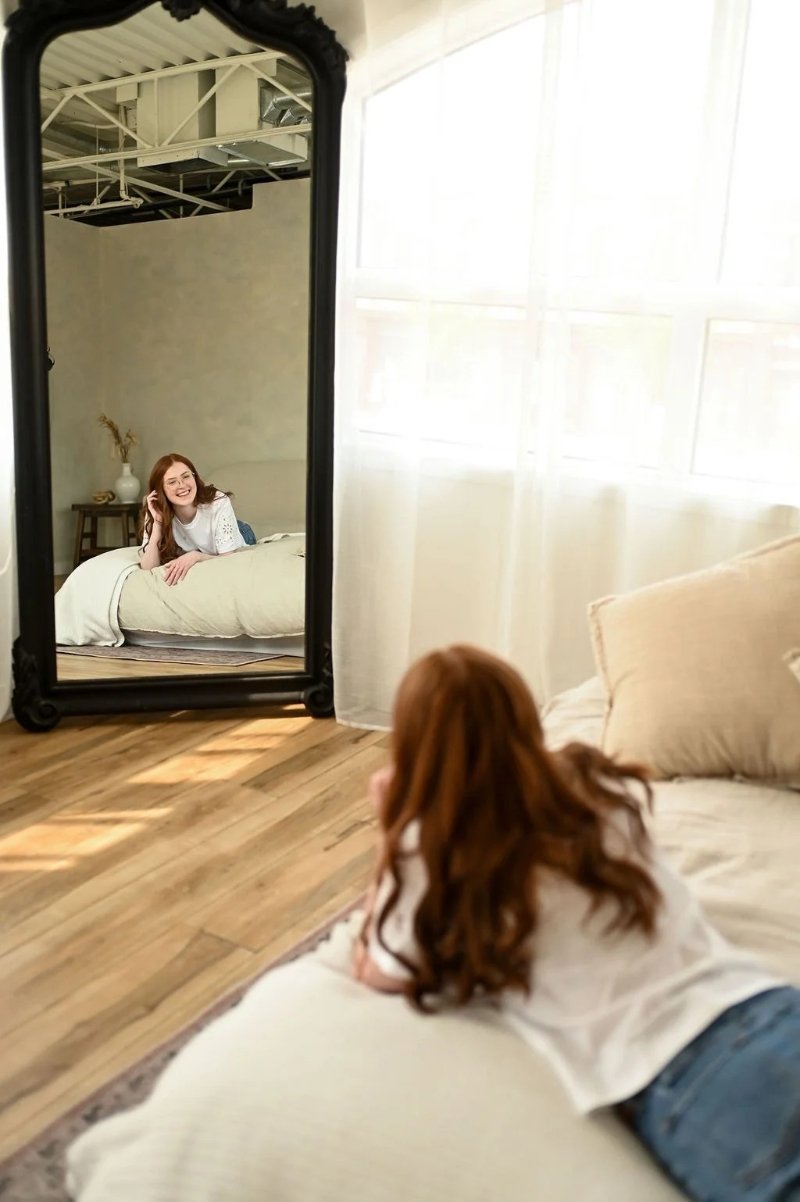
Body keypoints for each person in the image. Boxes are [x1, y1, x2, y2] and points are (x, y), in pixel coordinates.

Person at [353, 644, 800, 1202]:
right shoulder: (597, 789)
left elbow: (378, 969)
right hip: (766, 1007)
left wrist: (393, 828)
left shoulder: (430, 853)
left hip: (683, 1076)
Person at [139, 453, 246, 585]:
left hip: (240, 532)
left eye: (186, 476)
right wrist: (158, 524)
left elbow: (228, 559)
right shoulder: (156, 510)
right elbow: (148, 568)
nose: (182, 485)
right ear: (161, 490)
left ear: (194, 477)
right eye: (172, 482)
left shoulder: (218, 502)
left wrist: (195, 556)